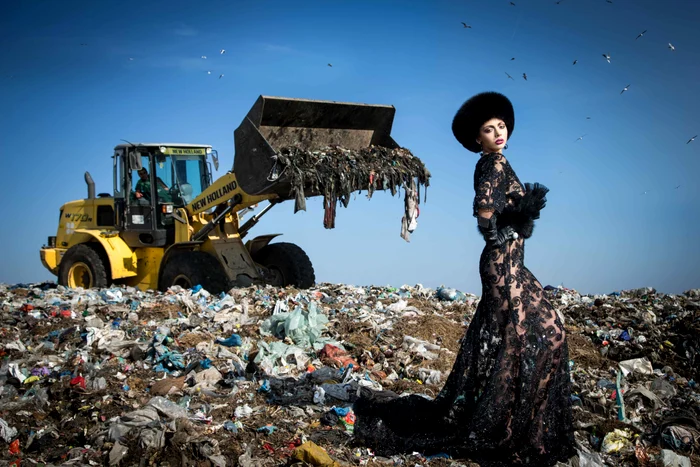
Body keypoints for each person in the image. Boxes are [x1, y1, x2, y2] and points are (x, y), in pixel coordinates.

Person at [353, 92, 575, 466]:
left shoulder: (498, 162)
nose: (498, 132)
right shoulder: (493, 164)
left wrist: (519, 216)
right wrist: (512, 223)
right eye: (489, 129)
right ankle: (506, 427)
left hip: (512, 267)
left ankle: (510, 422)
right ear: (478, 139)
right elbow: (485, 217)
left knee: (532, 338)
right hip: (503, 267)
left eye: (501, 126)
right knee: (542, 336)